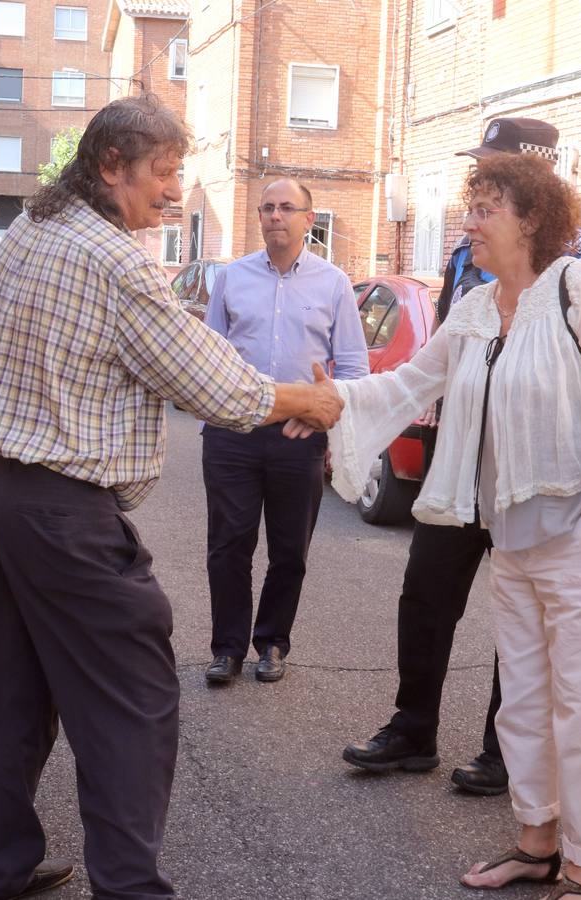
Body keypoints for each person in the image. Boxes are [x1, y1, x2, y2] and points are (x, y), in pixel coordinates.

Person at [0, 94, 343, 900]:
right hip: (63, 512)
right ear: (111, 166)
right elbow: (210, 378)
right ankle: (129, 887)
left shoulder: (35, 227)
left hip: (0, 493)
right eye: (164, 173)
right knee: (133, 698)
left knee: (4, 693)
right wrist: (307, 401)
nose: (172, 191)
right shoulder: (114, 258)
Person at [324, 152, 581, 900]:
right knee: (528, 704)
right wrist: (329, 403)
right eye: (469, 206)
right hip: (511, 539)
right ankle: (537, 845)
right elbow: (410, 382)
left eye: (485, 207)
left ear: (532, 218)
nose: (468, 222)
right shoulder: (476, 307)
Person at [202, 178, 368, 686]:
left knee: (290, 547)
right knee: (229, 542)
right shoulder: (232, 278)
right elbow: (208, 355)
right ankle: (227, 648)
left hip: (298, 437)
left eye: (286, 208)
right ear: (259, 218)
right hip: (234, 431)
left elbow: (355, 370)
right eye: (268, 208)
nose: (276, 216)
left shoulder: (334, 283)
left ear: (308, 220)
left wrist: (324, 421)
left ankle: (273, 642)